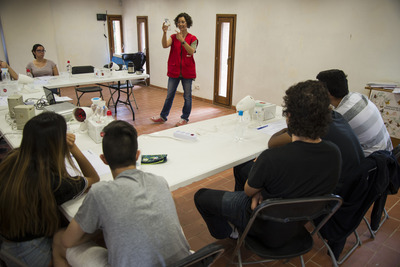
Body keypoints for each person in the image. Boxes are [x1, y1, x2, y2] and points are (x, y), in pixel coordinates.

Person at [194, 80, 341, 247]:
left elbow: (249, 191)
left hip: (263, 221)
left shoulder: (272, 157)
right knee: (243, 168)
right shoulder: (334, 153)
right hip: (299, 222)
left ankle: (231, 232)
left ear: (289, 116)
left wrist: (259, 192)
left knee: (201, 197)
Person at [53, 120, 191, 267]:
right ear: (137, 155)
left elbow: (68, 240)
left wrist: (104, 227)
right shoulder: (159, 181)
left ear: (103, 159)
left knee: (59, 240)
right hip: (186, 263)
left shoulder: (99, 193)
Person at [0, 112, 100, 267]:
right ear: (57, 144)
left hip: (9, 242)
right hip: (30, 252)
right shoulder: (56, 182)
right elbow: (93, 178)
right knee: (89, 233)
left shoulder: (14, 158)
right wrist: (73, 148)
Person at [234, 110, 365, 192]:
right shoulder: (333, 149)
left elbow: (272, 143)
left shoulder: (271, 157)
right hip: (342, 191)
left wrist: (260, 193)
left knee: (241, 167)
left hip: (276, 205)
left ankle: (240, 218)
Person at [316, 69, 392, 156]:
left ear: (328, 93)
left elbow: (319, 137)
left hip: (374, 162)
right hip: (387, 151)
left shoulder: (340, 116)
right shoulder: (357, 96)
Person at [151, 12, 198, 127]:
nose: (181, 24)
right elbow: (164, 45)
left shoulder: (193, 38)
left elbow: (191, 51)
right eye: (179, 22)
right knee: (169, 96)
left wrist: (182, 40)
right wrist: (164, 32)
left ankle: (184, 118)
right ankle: (163, 116)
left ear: (187, 23)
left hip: (187, 72)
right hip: (174, 71)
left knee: (187, 97)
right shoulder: (173, 37)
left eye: (183, 22)